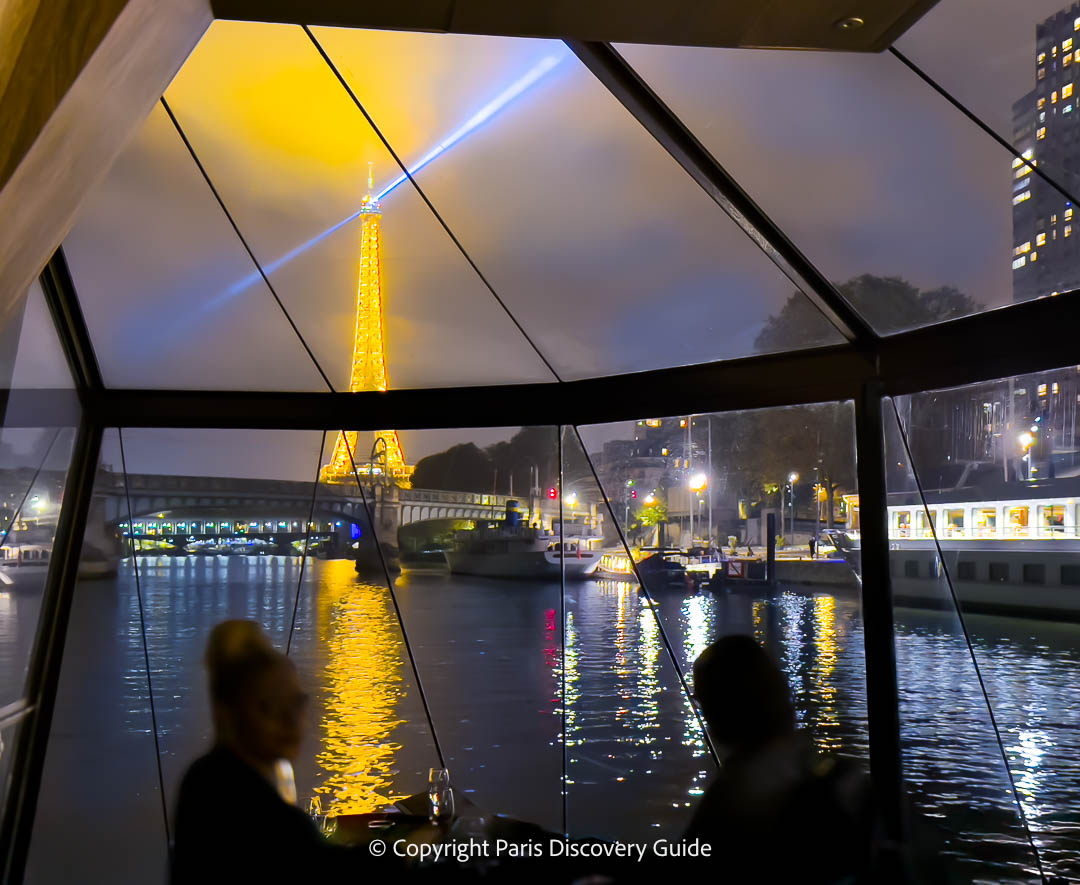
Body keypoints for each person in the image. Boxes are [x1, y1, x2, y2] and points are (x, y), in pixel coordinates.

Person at [170, 620, 374, 883]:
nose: (290, 720)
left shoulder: (201, 778)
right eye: (270, 707)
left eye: (297, 702)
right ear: (232, 713)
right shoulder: (266, 817)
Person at [683, 635, 874, 883]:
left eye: (702, 701)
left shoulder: (733, 797)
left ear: (719, 710)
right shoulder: (843, 777)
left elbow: (685, 868)